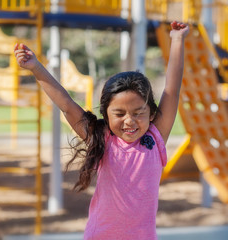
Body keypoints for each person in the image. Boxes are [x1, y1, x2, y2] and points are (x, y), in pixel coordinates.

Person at [14, 21, 189, 239]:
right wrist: (36, 67)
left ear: (151, 113)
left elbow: (172, 89)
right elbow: (67, 105)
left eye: (137, 112)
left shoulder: (155, 137)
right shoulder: (103, 139)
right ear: (105, 115)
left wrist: (178, 39)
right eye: (119, 114)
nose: (129, 121)